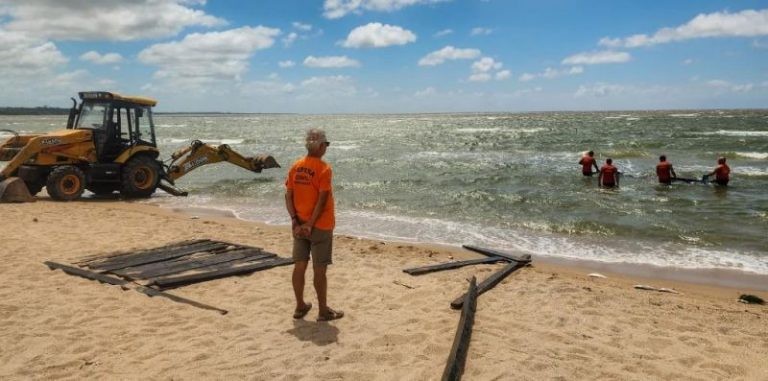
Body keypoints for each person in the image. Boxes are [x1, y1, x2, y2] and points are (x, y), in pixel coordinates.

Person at [284, 128, 343, 322]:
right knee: (320, 269)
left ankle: (300, 305)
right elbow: (322, 199)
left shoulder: (296, 166)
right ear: (319, 146)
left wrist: (295, 220)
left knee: (299, 266)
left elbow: (288, 195)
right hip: (320, 226)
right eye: (325, 144)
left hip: (299, 225)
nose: (326, 148)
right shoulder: (323, 168)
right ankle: (323, 310)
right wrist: (310, 224)